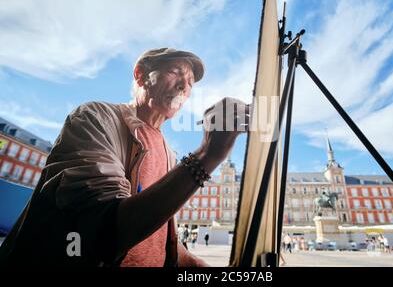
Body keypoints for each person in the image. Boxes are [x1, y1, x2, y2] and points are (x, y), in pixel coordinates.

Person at [0, 48, 249, 267]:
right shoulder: (95, 117)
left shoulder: (169, 154)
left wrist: (195, 264)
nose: (185, 86)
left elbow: (157, 236)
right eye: (175, 72)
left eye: (191, 82)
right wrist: (207, 155)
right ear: (140, 74)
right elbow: (104, 230)